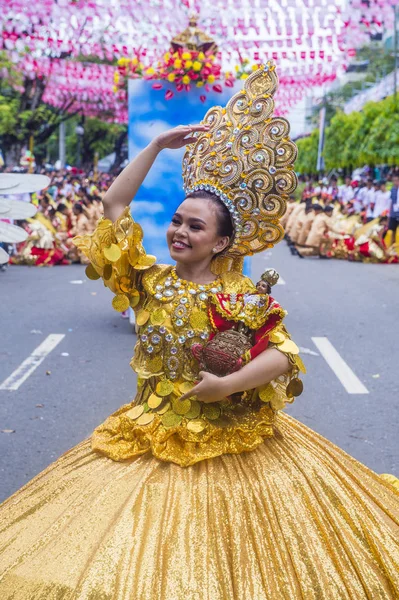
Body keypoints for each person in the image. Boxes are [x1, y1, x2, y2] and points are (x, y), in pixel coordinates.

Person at [1, 66, 399, 599]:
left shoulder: (241, 297)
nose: (178, 232)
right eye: (176, 220)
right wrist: (157, 146)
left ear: (220, 242)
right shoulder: (148, 283)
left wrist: (225, 387)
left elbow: (284, 354)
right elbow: (114, 206)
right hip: (150, 434)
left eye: (195, 226)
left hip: (234, 443)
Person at [385, 174, 399, 253]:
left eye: (397, 180)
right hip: (393, 214)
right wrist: (388, 215)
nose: (395, 182)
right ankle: (390, 249)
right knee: (391, 231)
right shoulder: (392, 190)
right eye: (394, 181)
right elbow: (390, 203)